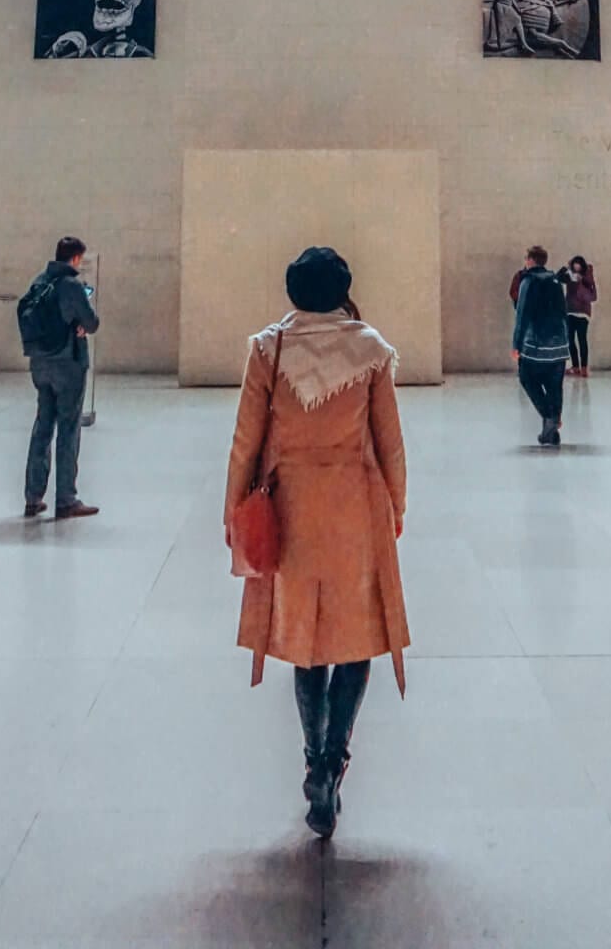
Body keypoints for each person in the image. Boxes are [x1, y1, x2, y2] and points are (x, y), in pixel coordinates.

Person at [223, 245, 408, 841]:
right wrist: (396, 506)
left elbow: (245, 438)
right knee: (356, 641)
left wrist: (234, 509)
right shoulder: (372, 350)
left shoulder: (268, 349)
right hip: (354, 506)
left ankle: (312, 761)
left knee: (307, 643)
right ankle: (336, 757)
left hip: (291, 507)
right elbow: (390, 442)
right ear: (342, 289)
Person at [17, 236, 101, 518]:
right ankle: (66, 499)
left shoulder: (39, 282)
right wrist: (80, 324)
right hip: (68, 363)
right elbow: (92, 322)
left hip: (40, 364)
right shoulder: (72, 286)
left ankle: (33, 496)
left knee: (42, 426)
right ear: (76, 258)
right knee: (68, 428)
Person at [513, 243, 569, 445]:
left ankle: (549, 417)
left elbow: (522, 315)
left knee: (527, 377)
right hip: (559, 343)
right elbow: (564, 312)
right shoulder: (555, 281)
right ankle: (551, 431)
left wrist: (516, 345)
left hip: (536, 344)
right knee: (555, 386)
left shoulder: (528, 282)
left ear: (530, 260)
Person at [560, 255, 597, 375]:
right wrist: (566, 268)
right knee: (570, 340)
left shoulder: (587, 275)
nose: (576, 265)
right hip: (570, 311)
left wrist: (581, 279)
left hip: (583, 312)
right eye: (574, 263)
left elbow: (590, 285)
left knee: (582, 339)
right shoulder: (569, 275)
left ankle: (584, 367)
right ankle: (576, 366)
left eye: (578, 263)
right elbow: (557, 277)